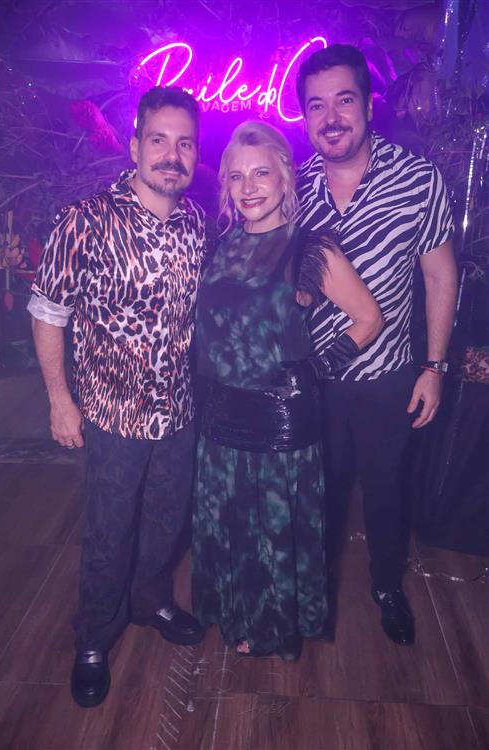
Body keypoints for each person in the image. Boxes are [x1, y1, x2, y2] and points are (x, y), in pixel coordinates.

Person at [28, 86, 208, 708]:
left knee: (167, 519)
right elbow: (47, 310)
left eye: (185, 143)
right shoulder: (86, 220)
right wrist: (60, 399)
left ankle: (151, 600)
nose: (172, 155)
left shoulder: (195, 223)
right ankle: (94, 637)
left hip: (178, 411)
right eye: (158, 140)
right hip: (112, 413)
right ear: (134, 146)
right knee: (109, 530)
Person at [192, 121, 383, 660]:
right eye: (236, 177)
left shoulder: (307, 248)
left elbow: (369, 317)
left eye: (261, 173)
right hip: (220, 420)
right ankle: (237, 614)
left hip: (277, 423)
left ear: (285, 176)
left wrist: (317, 368)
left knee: (271, 529)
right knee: (230, 519)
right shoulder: (220, 244)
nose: (248, 187)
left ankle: (273, 627)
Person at [295, 44, 458, 645]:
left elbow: (441, 276)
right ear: (305, 117)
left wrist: (434, 367)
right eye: (317, 105)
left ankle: (387, 587)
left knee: (387, 491)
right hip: (314, 376)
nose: (331, 117)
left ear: (368, 105)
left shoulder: (417, 179)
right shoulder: (293, 185)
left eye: (344, 100)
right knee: (318, 491)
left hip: (389, 375)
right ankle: (313, 587)